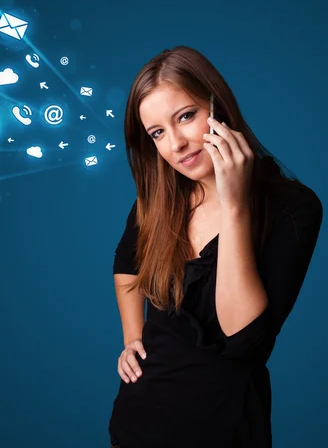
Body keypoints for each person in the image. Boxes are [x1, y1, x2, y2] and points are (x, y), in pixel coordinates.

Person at [107, 46, 323, 448]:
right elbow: (126, 263)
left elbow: (241, 337)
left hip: (224, 428)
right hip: (136, 423)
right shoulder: (158, 201)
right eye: (157, 133)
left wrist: (235, 204)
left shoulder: (294, 207)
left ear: (217, 106)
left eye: (185, 116)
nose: (176, 144)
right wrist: (132, 338)